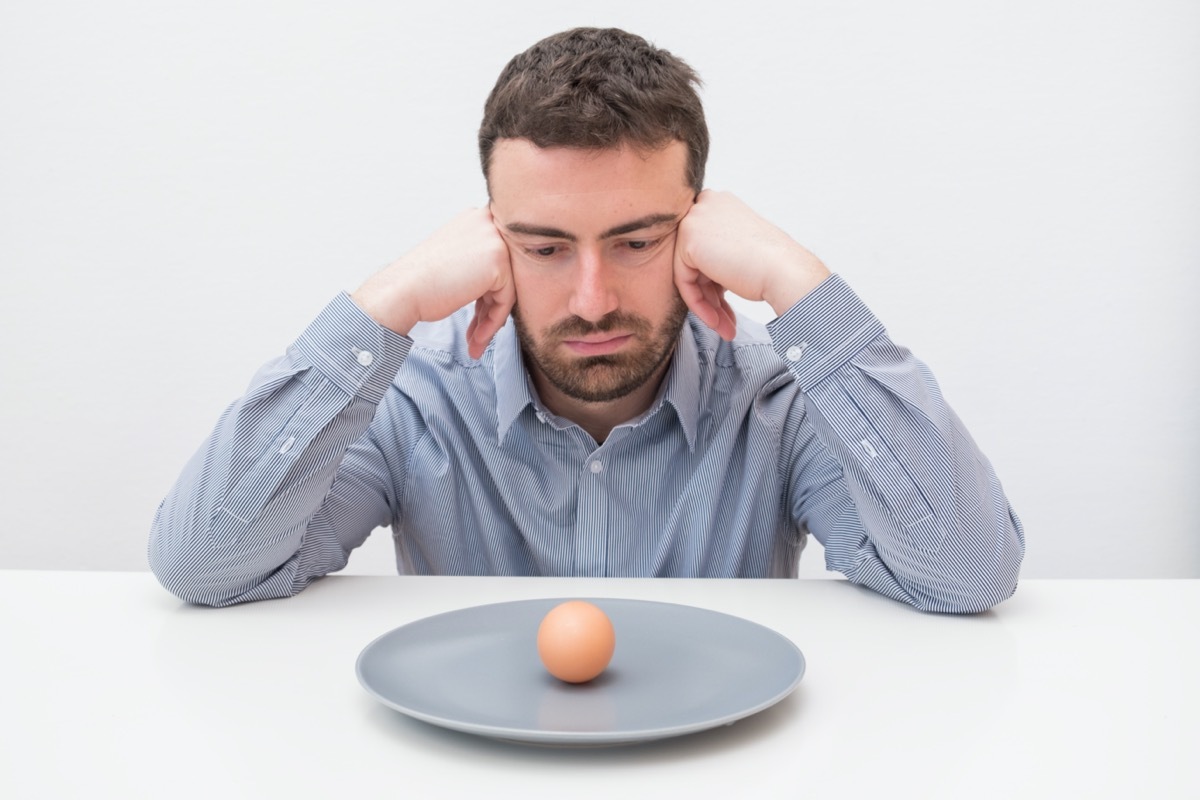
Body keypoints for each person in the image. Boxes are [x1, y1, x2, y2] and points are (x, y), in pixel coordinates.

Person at [149, 27, 1024, 613]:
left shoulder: (777, 401)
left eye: (638, 240)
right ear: (489, 234)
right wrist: (391, 299)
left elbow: (963, 575)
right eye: (545, 247)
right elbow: (206, 567)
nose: (593, 299)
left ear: (698, 226)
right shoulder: (415, 402)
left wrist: (799, 282)